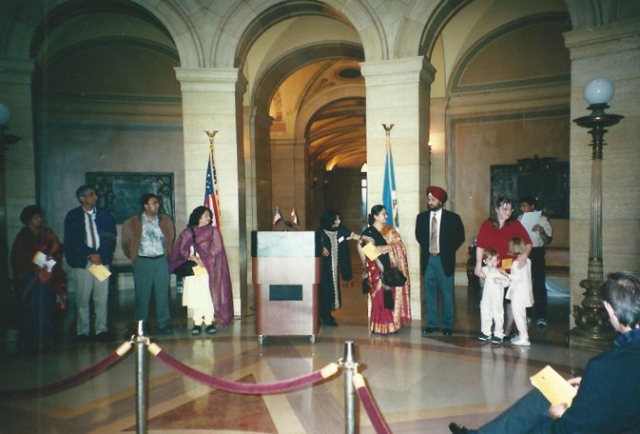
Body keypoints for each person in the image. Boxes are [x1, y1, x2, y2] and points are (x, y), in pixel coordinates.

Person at [449, 270, 640, 434]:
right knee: (545, 394)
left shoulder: (603, 366)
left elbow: (568, 430)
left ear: (610, 308)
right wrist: (592, 386)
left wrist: (558, 415)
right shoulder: (609, 366)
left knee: (540, 423)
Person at [169, 206, 233, 335]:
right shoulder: (187, 232)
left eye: (209, 216)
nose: (209, 218)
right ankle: (197, 323)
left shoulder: (213, 231)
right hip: (193, 270)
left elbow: (217, 249)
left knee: (209, 295)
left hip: (209, 269)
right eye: (206, 215)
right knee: (196, 296)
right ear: (198, 217)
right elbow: (180, 249)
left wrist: (204, 260)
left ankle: (209, 322)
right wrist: (191, 256)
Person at [64, 185, 116, 343]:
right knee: (82, 297)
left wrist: (100, 255)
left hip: (101, 261)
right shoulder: (73, 216)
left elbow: (110, 237)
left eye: (95, 194)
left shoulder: (104, 215)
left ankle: (101, 329)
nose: (96, 197)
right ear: (82, 198)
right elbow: (73, 240)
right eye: (91, 195)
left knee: (101, 297)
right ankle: (83, 332)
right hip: (83, 262)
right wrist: (90, 254)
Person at [11, 205, 66, 351]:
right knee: (31, 308)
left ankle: (46, 339)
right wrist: (33, 267)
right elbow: (18, 258)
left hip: (47, 276)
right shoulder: (23, 236)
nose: (40, 220)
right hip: (29, 278)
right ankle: (29, 341)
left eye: (40, 217)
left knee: (46, 306)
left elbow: (57, 248)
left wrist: (52, 254)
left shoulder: (47, 233)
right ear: (29, 220)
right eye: (36, 218)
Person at [122, 193, 176, 335]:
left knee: (162, 293)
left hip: (161, 261)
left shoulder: (165, 220)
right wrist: (135, 256)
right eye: (153, 203)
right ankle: (141, 324)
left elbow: (170, 238)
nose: (157, 205)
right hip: (143, 261)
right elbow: (127, 243)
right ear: (145, 206)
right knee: (142, 295)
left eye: (157, 202)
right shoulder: (133, 222)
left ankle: (164, 323)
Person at [415, 185, 465, 336]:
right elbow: (419, 236)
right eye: (429, 199)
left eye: (433, 199)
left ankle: (447, 325)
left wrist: (447, 251)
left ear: (441, 202)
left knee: (446, 295)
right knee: (429, 294)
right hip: (428, 260)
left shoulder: (453, 218)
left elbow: (460, 237)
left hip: (444, 261)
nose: (430, 202)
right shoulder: (421, 217)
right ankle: (432, 325)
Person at [360, 205, 411, 334]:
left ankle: (392, 325)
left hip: (390, 268)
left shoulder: (390, 230)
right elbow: (370, 252)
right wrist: (384, 249)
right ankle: (379, 326)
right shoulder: (368, 233)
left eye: (386, 213)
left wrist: (387, 248)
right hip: (376, 270)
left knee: (391, 296)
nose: (386, 216)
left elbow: (400, 246)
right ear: (375, 216)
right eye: (383, 214)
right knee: (379, 298)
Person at [317, 210, 360, 327]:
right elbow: (311, 245)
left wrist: (370, 240)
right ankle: (324, 315)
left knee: (333, 289)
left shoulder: (341, 230)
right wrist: (320, 248)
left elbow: (355, 236)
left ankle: (327, 314)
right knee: (325, 290)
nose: (339, 221)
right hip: (323, 269)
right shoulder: (320, 233)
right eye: (337, 219)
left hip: (335, 268)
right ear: (330, 221)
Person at [520, 196, 553, 329]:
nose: (522, 208)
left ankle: (541, 316)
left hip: (537, 253)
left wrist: (541, 230)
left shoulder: (543, 220)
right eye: (521, 206)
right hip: (523, 254)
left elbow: (548, 240)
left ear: (532, 206)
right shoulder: (519, 219)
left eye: (525, 205)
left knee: (538, 285)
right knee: (524, 285)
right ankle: (526, 314)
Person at [503, 237, 533, 346]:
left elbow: (517, 278)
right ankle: (522, 335)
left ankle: (524, 338)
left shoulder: (516, 263)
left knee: (518, 316)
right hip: (525, 292)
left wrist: (506, 274)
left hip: (518, 294)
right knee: (522, 315)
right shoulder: (527, 260)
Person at [478, 248, 510, 344]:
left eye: (495, 260)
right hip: (486, 297)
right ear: (485, 261)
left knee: (498, 314)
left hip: (497, 298)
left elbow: (508, 281)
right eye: (489, 260)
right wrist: (480, 273)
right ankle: (486, 331)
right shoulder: (484, 270)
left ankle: (498, 333)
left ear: (498, 261)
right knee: (485, 312)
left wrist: (501, 281)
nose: (492, 263)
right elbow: (478, 272)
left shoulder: (500, 271)